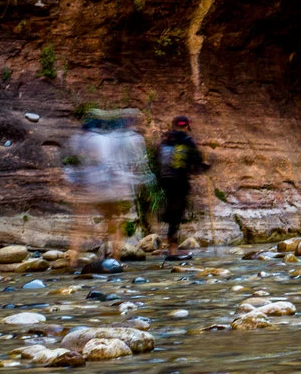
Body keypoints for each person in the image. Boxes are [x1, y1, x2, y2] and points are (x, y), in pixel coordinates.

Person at [62, 110, 144, 269]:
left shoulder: (78, 138)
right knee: (115, 222)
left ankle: (73, 260)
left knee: (79, 223)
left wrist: (73, 178)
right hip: (112, 187)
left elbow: (70, 161)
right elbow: (122, 163)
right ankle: (115, 259)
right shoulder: (112, 139)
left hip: (89, 186)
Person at [153, 117, 209, 254]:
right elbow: (197, 163)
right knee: (177, 215)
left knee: (172, 209)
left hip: (165, 181)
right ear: (186, 127)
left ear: (173, 126)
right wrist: (205, 166)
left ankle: (169, 243)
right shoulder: (187, 142)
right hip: (180, 182)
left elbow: (157, 160)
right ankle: (173, 248)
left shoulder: (165, 141)